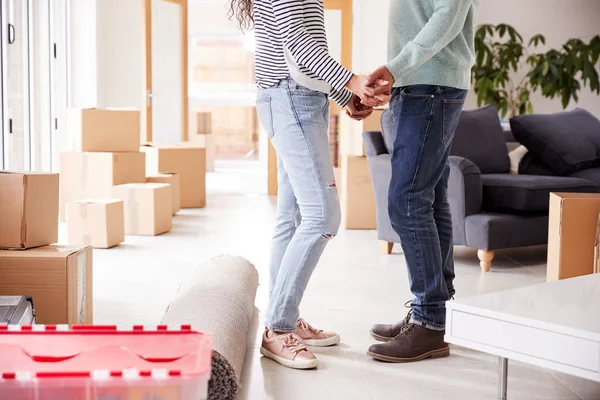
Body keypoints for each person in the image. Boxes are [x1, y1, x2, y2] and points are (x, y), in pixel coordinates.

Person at [228, 0, 385, 369]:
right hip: (291, 101)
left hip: (296, 98)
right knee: (323, 216)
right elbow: (300, 47)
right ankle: (278, 328)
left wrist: (345, 96)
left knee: (294, 214)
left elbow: (299, 55)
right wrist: (349, 81)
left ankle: (283, 317)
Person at [359, 0, 481, 362]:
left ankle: (429, 322)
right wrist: (394, 82)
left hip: (430, 85)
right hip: (419, 85)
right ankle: (435, 313)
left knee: (407, 201)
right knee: (429, 198)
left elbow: (448, 16)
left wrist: (396, 69)